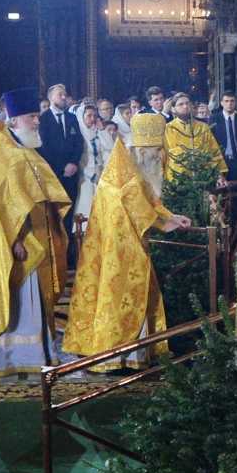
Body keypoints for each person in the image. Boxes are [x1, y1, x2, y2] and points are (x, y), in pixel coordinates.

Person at [0, 89, 76, 375]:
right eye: (32, 117)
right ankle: (14, 356)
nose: (37, 122)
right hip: (22, 242)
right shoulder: (6, 156)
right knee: (21, 302)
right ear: (14, 122)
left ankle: (41, 350)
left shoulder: (26, 151)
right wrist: (14, 239)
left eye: (37, 116)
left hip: (39, 235)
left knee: (36, 301)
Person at [61, 128, 192, 369]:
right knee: (125, 299)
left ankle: (129, 354)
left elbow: (148, 204)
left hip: (117, 249)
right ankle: (123, 357)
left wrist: (172, 217)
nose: (160, 157)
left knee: (120, 298)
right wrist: (169, 221)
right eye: (156, 152)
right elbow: (142, 210)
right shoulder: (128, 178)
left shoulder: (123, 171)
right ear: (142, 151)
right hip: (123, 252)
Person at [165, 90, 226, 183]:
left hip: (202, 177)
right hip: (178, 180)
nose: (185, 106)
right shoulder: (168, 129)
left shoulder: (202, 127)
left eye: (187, 103)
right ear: (173, 109)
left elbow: (213, 150)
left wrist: (219, 174)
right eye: (180, 104)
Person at [38, 83, 85, 197]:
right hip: (53, 173)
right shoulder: (42, 119)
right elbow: (44, 147)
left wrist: (73, 163)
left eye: (65, 95)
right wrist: (61, 168)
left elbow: (78, 142)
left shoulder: (72, 118)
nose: (64, 97)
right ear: (51, 97)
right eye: (60, 95)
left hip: (72, 173)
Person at [76, 102, 118, 225]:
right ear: (81, 116)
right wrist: (91, 174)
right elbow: (80, 159)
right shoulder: (80, 134)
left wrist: (102, 130)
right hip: (85, 178)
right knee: (86, 210)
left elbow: (110, 148)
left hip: (100, 177)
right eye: (89, 116)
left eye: (94, 116)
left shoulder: (97, 132)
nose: (92, 119)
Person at [126, 110, 169, 197]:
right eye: (157, 150)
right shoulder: (128, 178)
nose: (161, 155)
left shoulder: (160, 167)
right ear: (142, 152)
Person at [210, 90, 237, 160]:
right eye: (226, 101)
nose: (229, 104)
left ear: (235, 103)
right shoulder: (214, 119)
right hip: (220, 160)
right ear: (221, 103)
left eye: (232, 101)